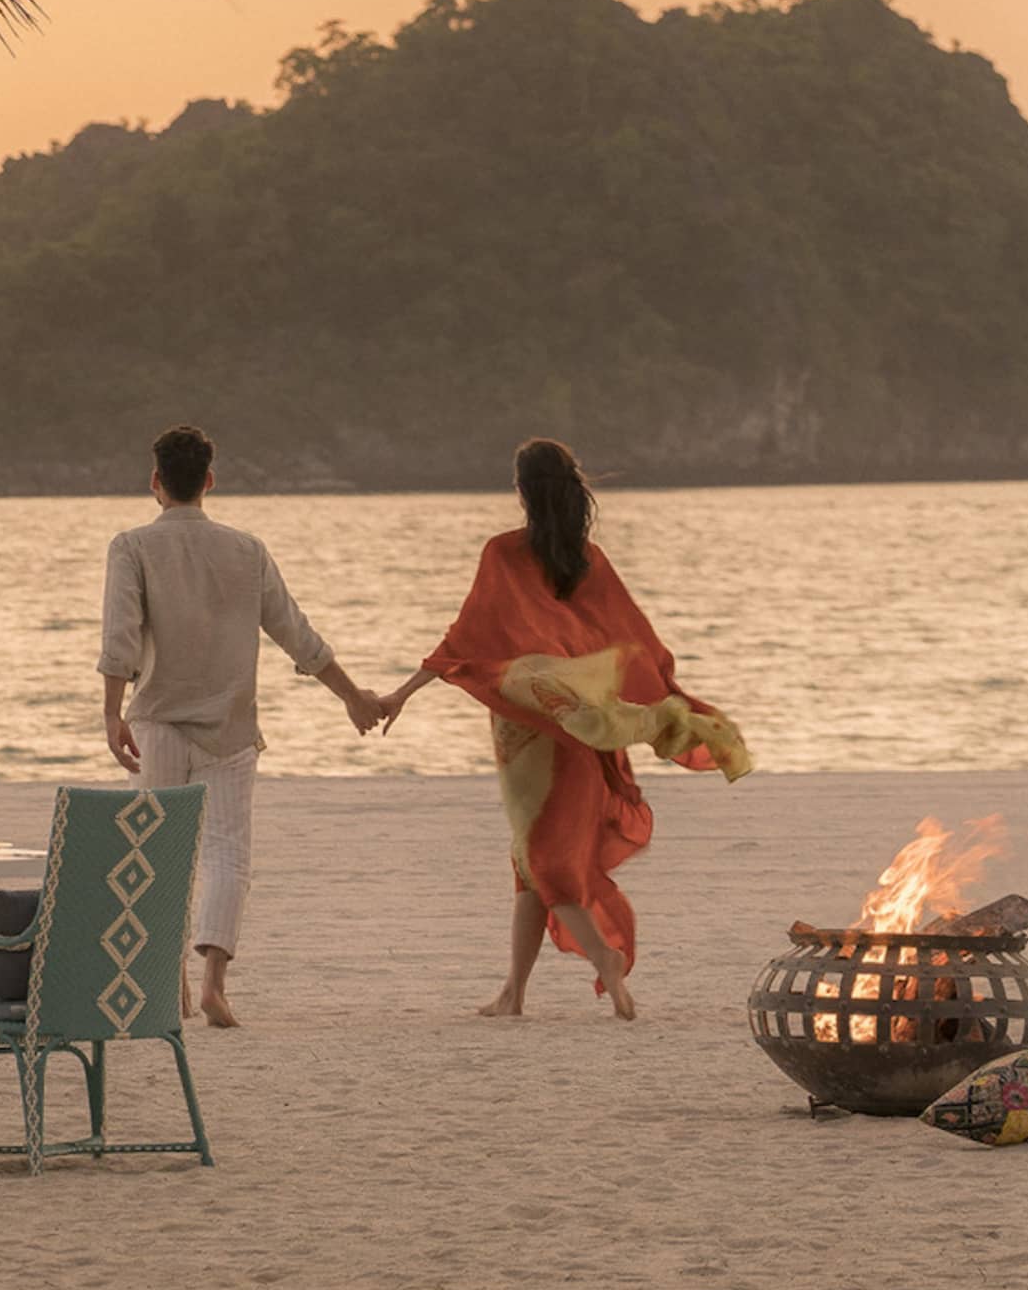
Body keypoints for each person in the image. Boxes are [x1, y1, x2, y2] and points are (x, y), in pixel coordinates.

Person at [379, 439, 750, 1021]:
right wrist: (667, 700)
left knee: (542, 857)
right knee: (529, 858)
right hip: (583, 725)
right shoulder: (587, 559)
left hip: (527, 732)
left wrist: (401, 693)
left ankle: (603, 955)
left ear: (522, 491)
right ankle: (514, 993)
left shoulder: (502, 553)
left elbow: (465, 640)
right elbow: (633, 643)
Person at [99, 424, 384, 1027]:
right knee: (229, 855)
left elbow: (120, 637)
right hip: (229, 727)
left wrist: (109, 709)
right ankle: (213, 986)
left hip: (157, 723)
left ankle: (165, 982)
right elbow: (296, 636)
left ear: (156, 483)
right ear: (209, 481)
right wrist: (352, 696)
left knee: (157, 854)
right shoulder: (247, 550)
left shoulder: (131, 547)